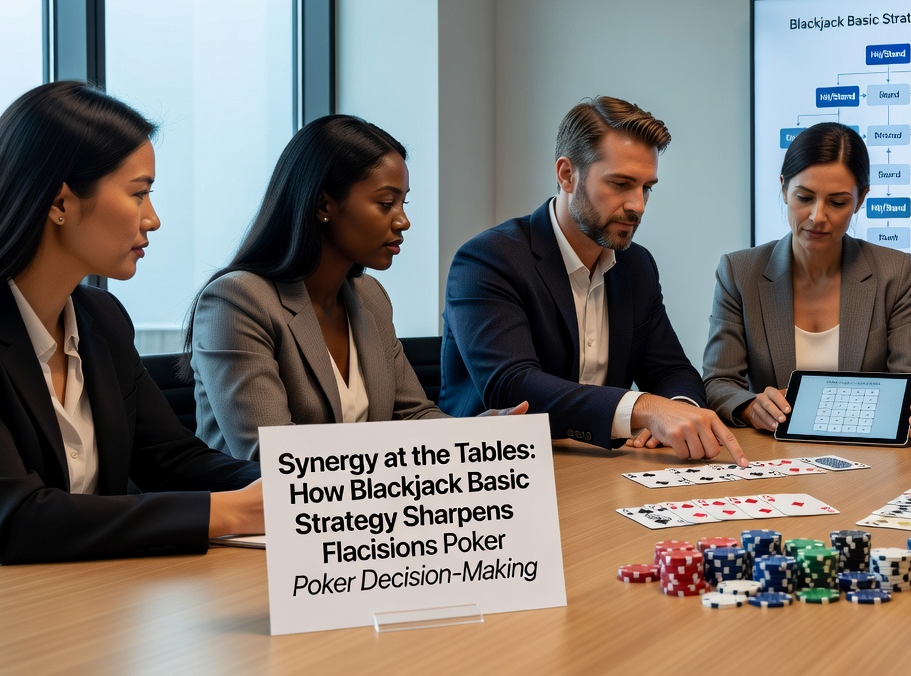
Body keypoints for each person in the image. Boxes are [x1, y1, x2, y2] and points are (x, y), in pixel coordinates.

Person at [0, 81, 262, 563]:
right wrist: (230, 512)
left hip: (95, 606)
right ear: (60, 203)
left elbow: (173, 460)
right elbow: (16, 519)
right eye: (139, 194)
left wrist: (297, 489)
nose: (153, 219)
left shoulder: (103, 319)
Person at [186, 115, 525, 461]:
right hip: (264, 512)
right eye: (385, 203)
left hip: (365, 510)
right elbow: (270, 456)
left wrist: (477, 433)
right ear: (324, 205)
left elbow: (414, 417)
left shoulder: (370, 298)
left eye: (403, 203)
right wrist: (401, 454)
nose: (403, 220)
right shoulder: (237, 302)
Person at [440, 96, 747, 465]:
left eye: (647, 187)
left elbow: (672, 370)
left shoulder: (637, 265)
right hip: (496, 478)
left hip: (596, 472)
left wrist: (676, 411)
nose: (638, 206)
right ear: (567, 175)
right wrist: (644, 408)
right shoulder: (488, 259)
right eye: (620, 184)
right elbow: (511, 387)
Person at [703, 122, 911, 436]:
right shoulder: (739, 272)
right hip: (773, 455)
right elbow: (718, 382)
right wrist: (750, 407)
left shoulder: (894, 272)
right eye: (804, 197)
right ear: (784, 189)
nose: (818, 216)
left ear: (861, 199)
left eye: (838, 202)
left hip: (870, 457)